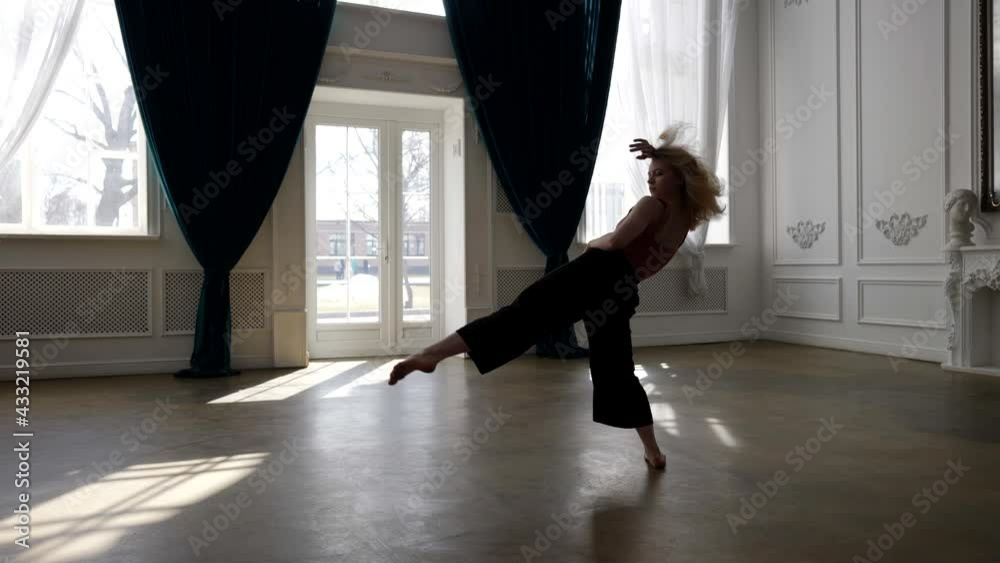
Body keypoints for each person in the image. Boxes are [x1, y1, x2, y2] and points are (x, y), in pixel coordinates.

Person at [388, 127, 725, 470]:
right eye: (649, 175)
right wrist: (661, 157)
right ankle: (653, 451)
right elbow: (644, 257)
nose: (650, 181)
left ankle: (431, 354)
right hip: (622, 289)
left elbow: (616, 242)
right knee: (617, 368)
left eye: (658, 174)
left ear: (679, 177)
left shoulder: (651, 205)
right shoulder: (684, 222)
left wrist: (593, 243)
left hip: (596, 271)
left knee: (520, 317)